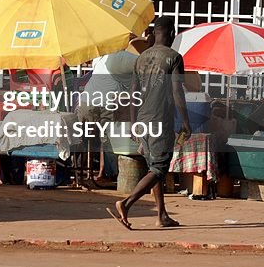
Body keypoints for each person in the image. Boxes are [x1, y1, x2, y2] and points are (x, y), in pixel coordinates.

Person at [109, 17, 191, 230]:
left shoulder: (141, 58)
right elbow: (177, 91)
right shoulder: (174, 57)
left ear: (155, 33)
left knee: (154, 167)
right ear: (172, 33)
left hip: (142, 120)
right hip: (160, 120)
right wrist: (185, 121)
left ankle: (162, 215)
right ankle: (126, 204)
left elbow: (133, 93)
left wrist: (133, 123)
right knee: (159, 168)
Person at [77, 48, 138, 184]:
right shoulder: (124, 57)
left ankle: (84, 175)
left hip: (88, 101)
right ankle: (106, 173)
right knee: (108, 141)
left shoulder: (100, 57)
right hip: (104, 103)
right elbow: (144, 65)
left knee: (86, 140)